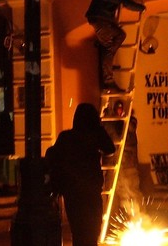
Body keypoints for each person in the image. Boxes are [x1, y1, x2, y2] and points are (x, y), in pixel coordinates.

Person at [47, 103, 115, 246]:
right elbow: (110, 148)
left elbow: (52, 156)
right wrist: (99, 128)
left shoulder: (65, 137)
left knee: (78, 233)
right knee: (92, 232)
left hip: (72, 194)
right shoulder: (94, 136)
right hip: (91, 192)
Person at [85, 0, 146, 92]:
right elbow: (127, 3)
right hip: (99, 17)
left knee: (111, 43)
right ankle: (108, 79)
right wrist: (141, 8)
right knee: (116, 39)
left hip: (99, 17)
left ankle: (108, 67)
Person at [104, 100, 143, 218]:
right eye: (118, 109)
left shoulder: (130, 122)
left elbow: (128, 129)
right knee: (114, 194)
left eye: (122, 109)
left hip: (128, 165)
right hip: (114, 164)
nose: (120, 111)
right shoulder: (111, 123)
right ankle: (115, 220)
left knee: (133, 192)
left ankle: (139, 218)